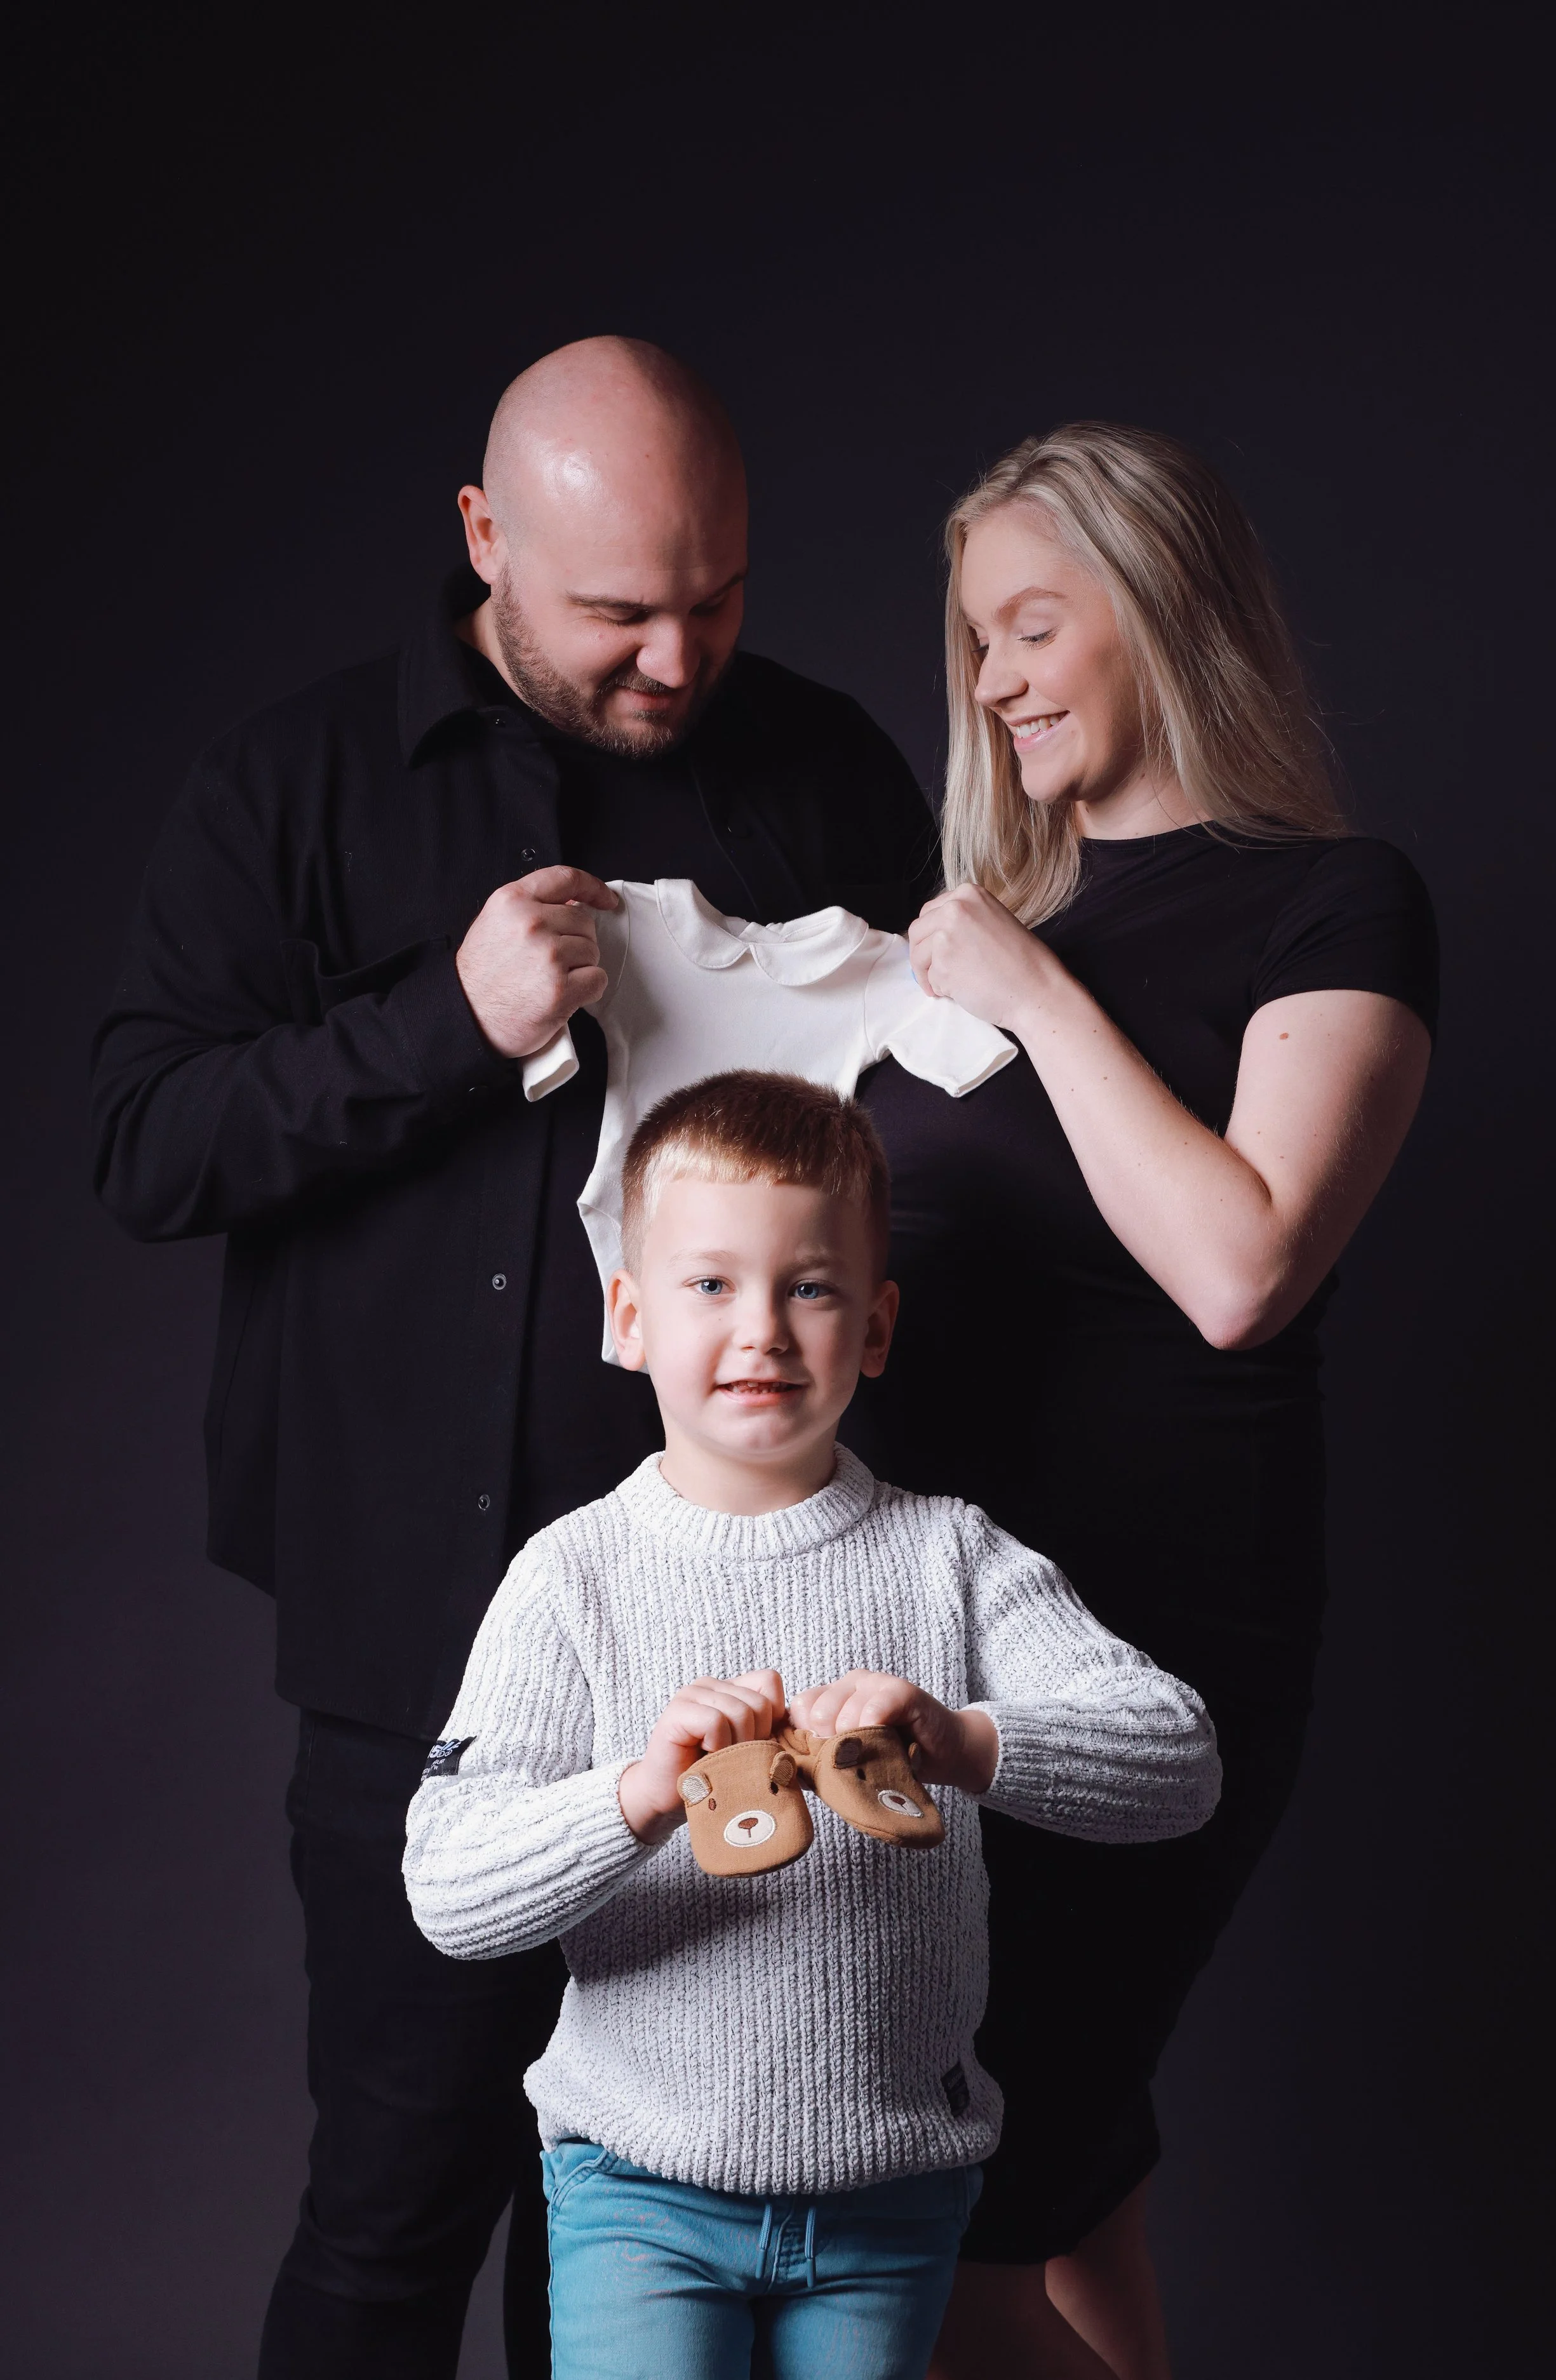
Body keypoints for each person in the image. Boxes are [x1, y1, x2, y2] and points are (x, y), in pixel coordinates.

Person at [88, 337, 934, 2380]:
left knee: (644, 2240)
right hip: (415, 1667)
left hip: (743, 1654)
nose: (674, 653)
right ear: (482, 538)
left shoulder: (819, 774)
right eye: (618, 609)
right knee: (388, 2226)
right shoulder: (293, 785)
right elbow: (144, 1142)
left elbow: (935, 1165)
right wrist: (441, 1029)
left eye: (717, 596)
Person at [846, 424, 1439, 2379]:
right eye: (971, 644)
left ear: (1163, 613)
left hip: (1151, 1655)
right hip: (927, 1654)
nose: (994, 680)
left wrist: (1030, 988)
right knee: (1071, 2180)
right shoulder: (953, 966)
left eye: (1034, 625)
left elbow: (1240, 1266)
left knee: (961, 2230)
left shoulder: (1331, 906)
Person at [403, 1070, 1223, 2380]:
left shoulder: (949, 1557)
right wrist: (636, 1792)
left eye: (810, 1285)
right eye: (711, 1283)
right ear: (627, 1315)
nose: (762, 1329)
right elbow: (446, 1886)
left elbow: (1176, 1757)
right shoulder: (574, 1575)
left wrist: (958, 1740)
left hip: (889, 2189)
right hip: (639, 2183)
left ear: (876, 1324)